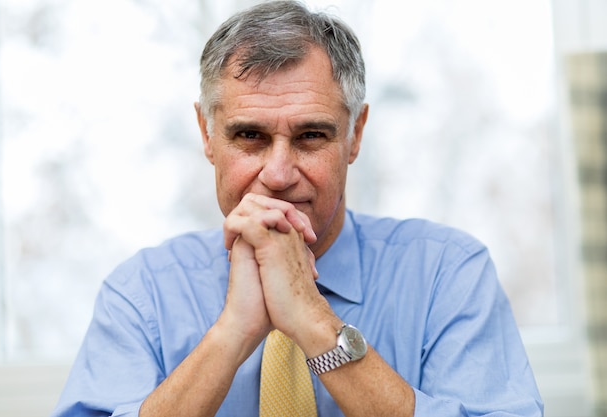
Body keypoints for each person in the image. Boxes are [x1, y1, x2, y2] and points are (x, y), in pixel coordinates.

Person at [51, 1, 544, 416]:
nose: (279, 173)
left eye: (311, 136)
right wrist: (230, 337)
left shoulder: (447, 273)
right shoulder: (142, 293)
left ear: (355, 134)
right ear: (206, 134)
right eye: (250, 136)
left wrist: (313, 322)